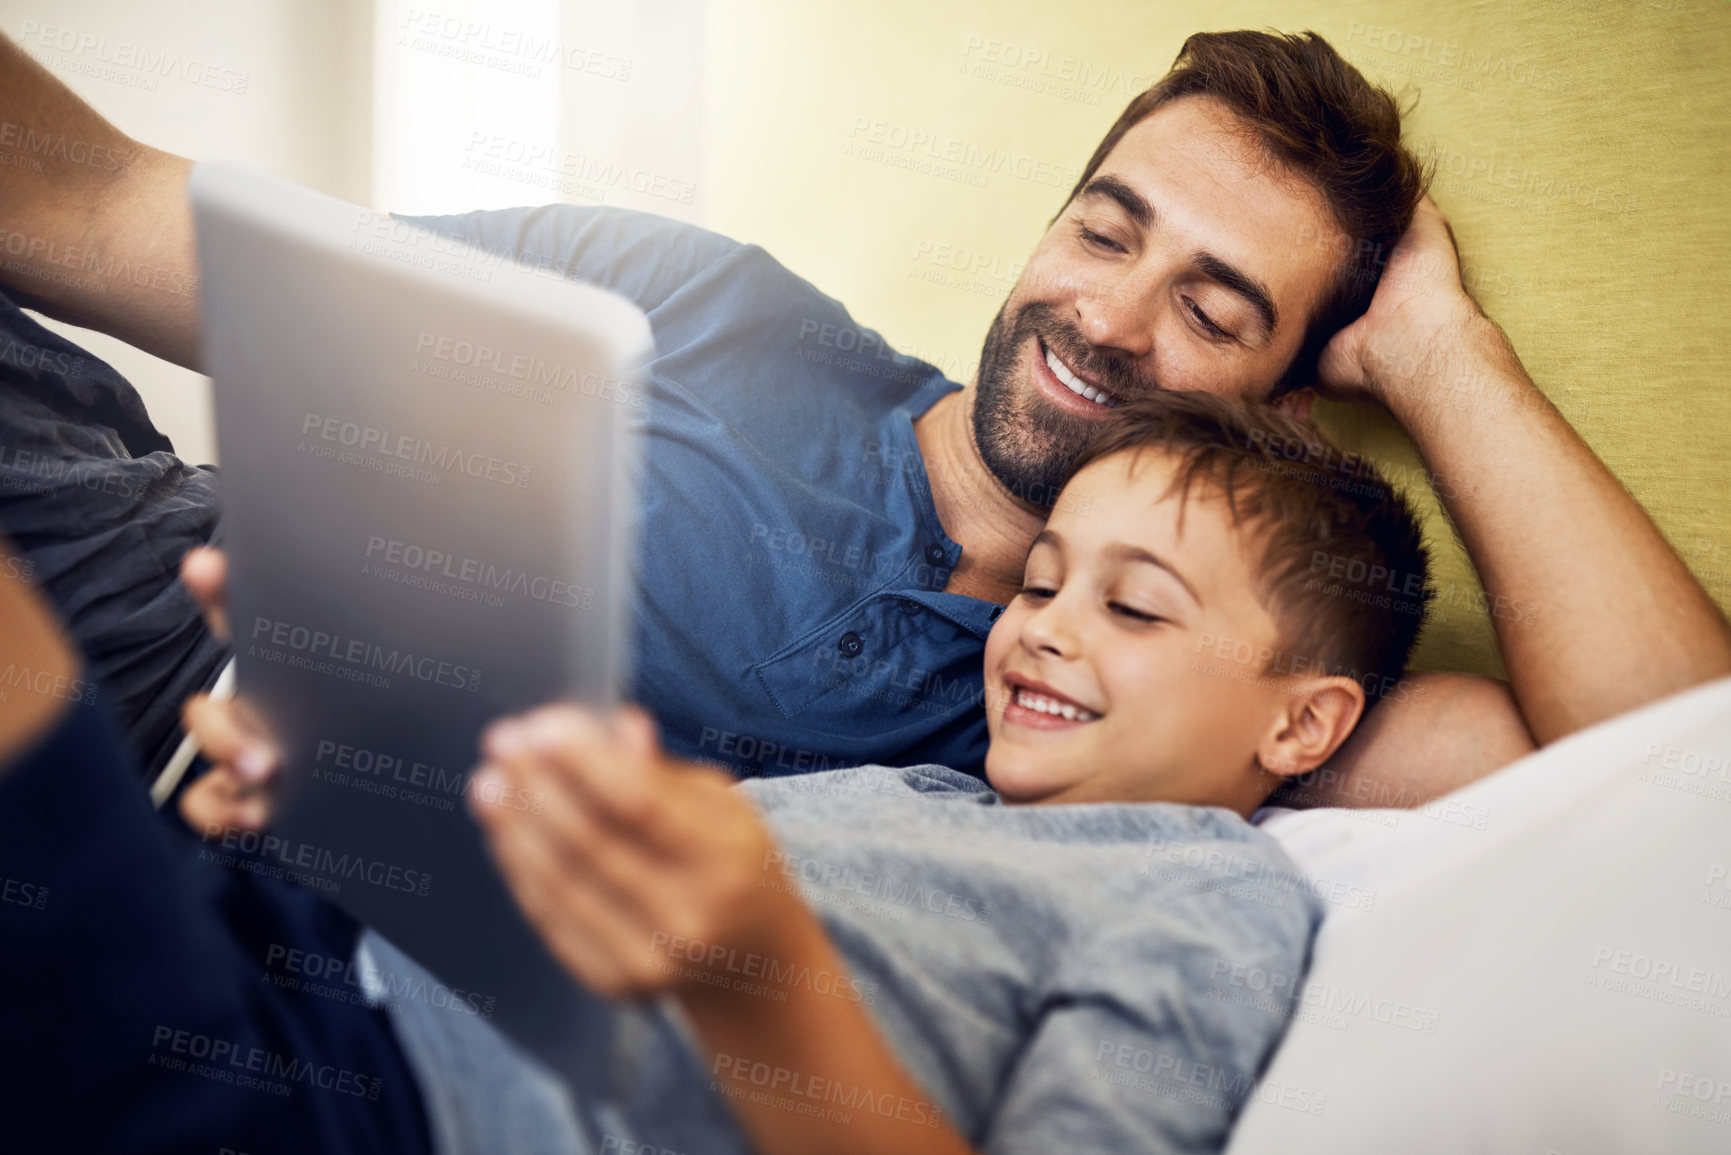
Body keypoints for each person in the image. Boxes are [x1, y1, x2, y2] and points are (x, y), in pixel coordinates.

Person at [4, 28, 1641, 823]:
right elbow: (102, 208)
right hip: (106, 529)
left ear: (1284, 406)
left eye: (1216, 313)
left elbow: (1664, 778)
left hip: (150, 773)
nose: (1111, 317)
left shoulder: (1149, 692)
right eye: (1104, 228)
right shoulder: (701, 309)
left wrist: (1443, 354)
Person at [6, 390, 1432, 1155]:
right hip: (309, 954)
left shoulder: (1214, 904)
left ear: (1304, 727)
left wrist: (753, 962)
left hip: (378, 1112)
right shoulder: (929, 792)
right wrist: (363, 780)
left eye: (1130, 608)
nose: (1043, 632)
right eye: (1042, 584)